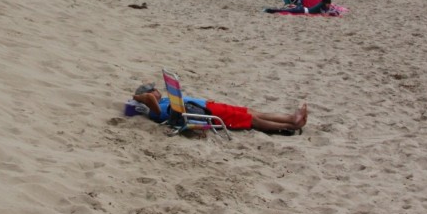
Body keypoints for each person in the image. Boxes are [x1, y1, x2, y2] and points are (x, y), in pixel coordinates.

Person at [131, 83, 307, 133]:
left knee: (250, 111)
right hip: (209, 113)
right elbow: (146, 98)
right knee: (252, 120)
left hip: (208, 106)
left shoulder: (162, 102)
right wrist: (137, 97)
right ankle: (291, 125)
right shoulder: (156, 110)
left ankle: (291, 118)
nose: (156, 90)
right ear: (149, 95)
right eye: (153, 90)